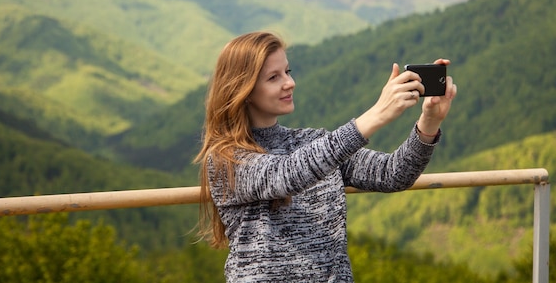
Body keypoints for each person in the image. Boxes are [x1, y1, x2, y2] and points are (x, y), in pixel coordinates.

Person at [194, 31, 457, 282]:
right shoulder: (225, 160)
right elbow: (287, 175)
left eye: (287, 71)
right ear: (244, 90)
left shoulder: (314, 142)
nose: (290, 82)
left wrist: (429, 123)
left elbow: (393, 174)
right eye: (273, 77)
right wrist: (375, 115)